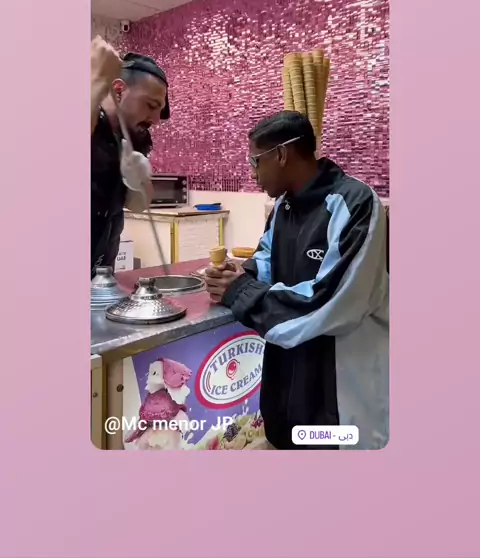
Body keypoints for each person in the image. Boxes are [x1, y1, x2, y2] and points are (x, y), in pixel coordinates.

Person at [205, 110, 389, 450]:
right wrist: (233, 276)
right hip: (287, 385)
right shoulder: (282, 208)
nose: (253, 174)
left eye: (255, 162)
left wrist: (240, 291)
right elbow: (264, 262)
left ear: (281, 154)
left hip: (337, 389)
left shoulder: (356, 204)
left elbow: (331, 303)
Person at [90, 36, 170, 277]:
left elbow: (138, 206)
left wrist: (138, 182)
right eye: (151, 105)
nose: (155, 120)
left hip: (102, 271)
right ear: (118, 90)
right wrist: (96, 80)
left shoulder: (136, 136)